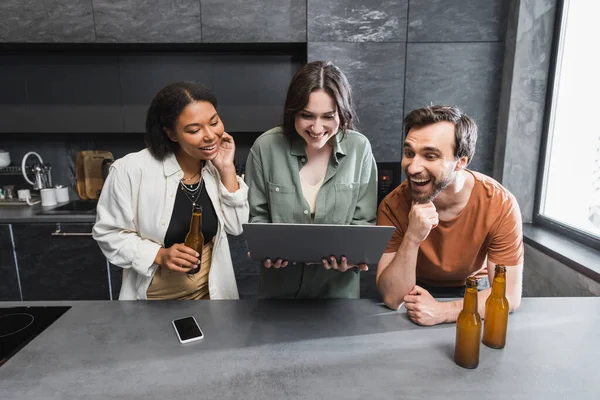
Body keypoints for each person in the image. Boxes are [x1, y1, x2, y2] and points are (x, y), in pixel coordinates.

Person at [93, 81, 249, 300]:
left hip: (212, 297)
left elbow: (236, 226)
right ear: (171, 134)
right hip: (155, 301)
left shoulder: (215, 167)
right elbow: (107, 234)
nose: (210, 135)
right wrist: (159, 255)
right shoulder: (130, 169)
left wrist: (227, 169)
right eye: (194, 130)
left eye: (214, 122)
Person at [376, 105, 523, 325]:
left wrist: (443, 311)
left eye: (430, 156)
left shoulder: (501, 204)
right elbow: (391, 297)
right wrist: (413, 236)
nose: (413, 167)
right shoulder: (393, 205)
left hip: (476, 292)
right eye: (409, 153)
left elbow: (508, 296)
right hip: (415, 289)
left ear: (461, 162)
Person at [244, 60, 378, 299]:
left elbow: (363, 222)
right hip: (278, 293)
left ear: (343, 113)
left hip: (338, 293)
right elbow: (258, 217)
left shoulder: (360, 148)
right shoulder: (265, 147)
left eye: (328, 117)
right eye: (307, 116)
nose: (317, 128)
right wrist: (265, 251)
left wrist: (353, 258)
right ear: (292, 111)